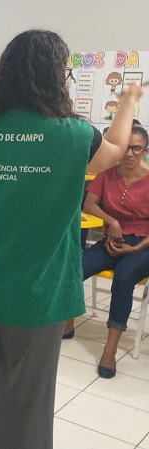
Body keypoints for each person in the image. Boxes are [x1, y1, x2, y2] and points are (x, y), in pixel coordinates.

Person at [0, 29, 144, 449]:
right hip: (33, 295)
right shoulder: (71, 135)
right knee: (23, 410)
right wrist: (129, 100)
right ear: (56, 79)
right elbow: (118, 147)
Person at [63, 126, 149, 378]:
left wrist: (138, 245)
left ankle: (109, 351)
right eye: (125, 147)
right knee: (75, 268)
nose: (129, 153)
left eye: (136, 148)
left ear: (146, 151)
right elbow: (89, 203)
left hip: (143, 244)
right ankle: (67, 323)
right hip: (113, 238)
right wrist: (112, 222)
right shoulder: (107, 173)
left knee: (124, 278)